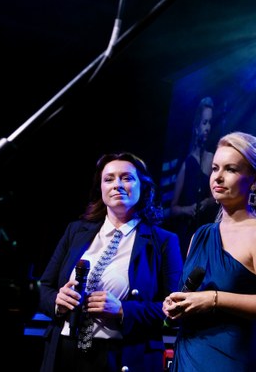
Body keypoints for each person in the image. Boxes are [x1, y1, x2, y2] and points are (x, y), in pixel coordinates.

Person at [38, 151, 184, 372]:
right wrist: (57, 302)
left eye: (126, 178)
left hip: (121, 355)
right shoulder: (75, 231)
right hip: (65, 350)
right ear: (101, 189)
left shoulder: (163, 241)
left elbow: (175, 308)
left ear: (142, 186)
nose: (117, 184)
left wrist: (124, 310)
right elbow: (45, 288)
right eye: (109, 179)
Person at [163, 131, 256, 372]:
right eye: (215, 168)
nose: (218, 177)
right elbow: (190, 295)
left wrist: (214, 299)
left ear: (254, 179)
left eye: (231, 169)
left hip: (230, 361)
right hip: (187, 358)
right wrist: (176, 305)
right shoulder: (201, 235)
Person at [168, 96, 218, 258]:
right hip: (187, 233)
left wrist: (208, 202)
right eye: (205, 123)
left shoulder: (213, 159)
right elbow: (173, 208)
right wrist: (187, 210)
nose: (208, 127)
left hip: (207, 231)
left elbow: (217, 196)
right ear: (196, 127)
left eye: (210, 123)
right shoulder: (187, 164)